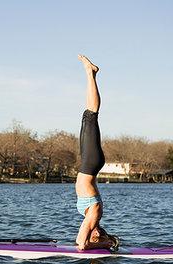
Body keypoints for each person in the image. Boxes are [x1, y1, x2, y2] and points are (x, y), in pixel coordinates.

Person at [75, 54, 118, 252]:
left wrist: (102, 242)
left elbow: (81, 245)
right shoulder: (95, 214)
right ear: (98, 232)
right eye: (97, 234)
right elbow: (83, 245)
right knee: (91, 115)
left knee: (88, 116)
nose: (93, 233)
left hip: (88, 164)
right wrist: (106, 243)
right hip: (91, 164)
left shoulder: (92, 217)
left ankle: (90, 74)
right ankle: (90, 74)